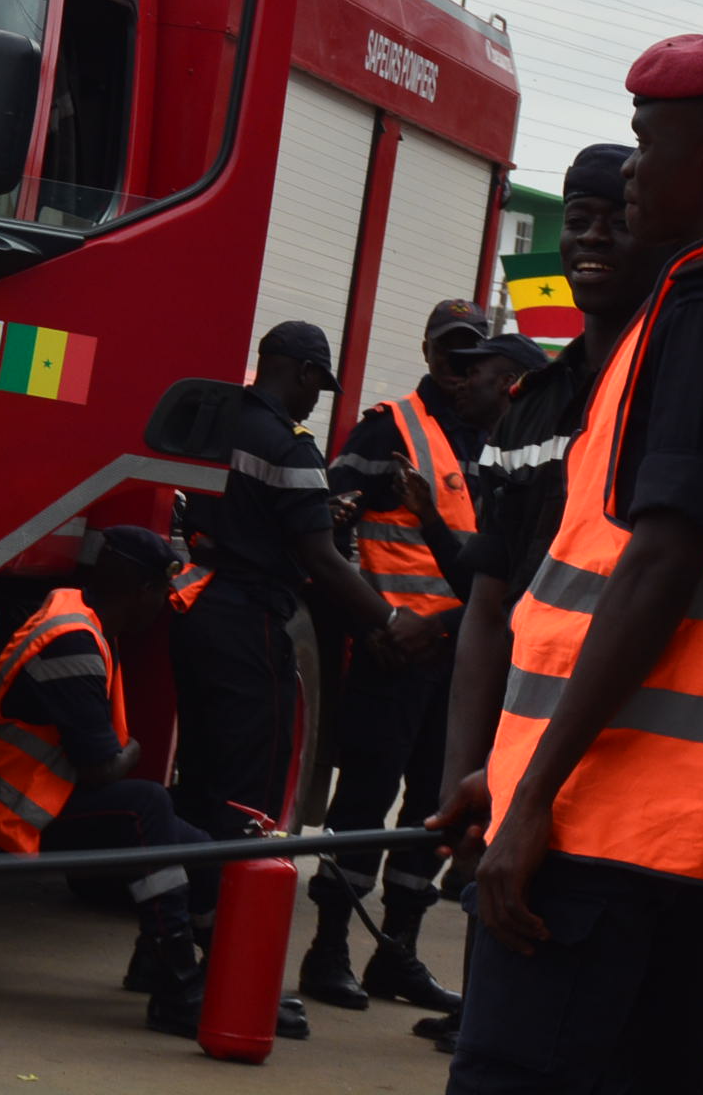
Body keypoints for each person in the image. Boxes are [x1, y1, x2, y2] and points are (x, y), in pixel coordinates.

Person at [437, 25, 703, 1095]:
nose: (628, 169)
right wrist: (497, 772)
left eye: (644, 140)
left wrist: (532, 793)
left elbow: (660, 560)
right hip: (680, 823)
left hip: (598, 817)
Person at [426, 145, 646, 1051]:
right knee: (497, 1045)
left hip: (621, 782)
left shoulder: (667, 393)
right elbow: (488, 610)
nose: (590, 236)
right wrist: (459, 782)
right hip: (509, 771)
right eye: (577, 218)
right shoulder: (530, 408)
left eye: (614, 217)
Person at [166, 319, 420, 1045]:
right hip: (251, 625)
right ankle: (228, 974)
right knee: (248, 805)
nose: (317, 397)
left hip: (200, 608)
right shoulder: (291, 445)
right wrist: (390, 620)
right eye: (318, 382)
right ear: (305, 372)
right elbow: (324, 559)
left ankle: (166, 956)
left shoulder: (217, 425)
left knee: (197, 786)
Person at [302, 303, 528, 1021]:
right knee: (364, 802)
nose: (459, 368)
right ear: (428, 350)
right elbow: (324, 533)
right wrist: (372, 618)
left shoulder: (500, 440)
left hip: (462, 661)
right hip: (392, 655)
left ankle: (394, 952)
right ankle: (328, 949)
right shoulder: (387, 428)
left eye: (473, 356)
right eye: (450, 352)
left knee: (436, 811)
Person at [0, 528, 222, 1036]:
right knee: (147, 805)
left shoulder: (81, 617)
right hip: (13, 817)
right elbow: (101, 766)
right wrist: (135, 750)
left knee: (204, 849)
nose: (161, 606)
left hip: (48, 801)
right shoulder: (73, 640)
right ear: (141, 590)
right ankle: (178, 986)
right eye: (161, 592)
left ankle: (220, 982)